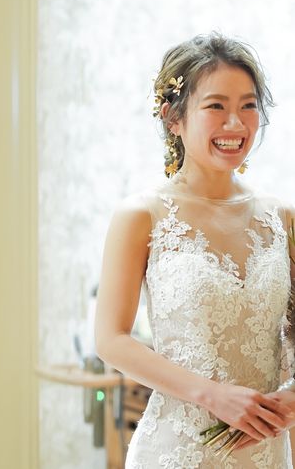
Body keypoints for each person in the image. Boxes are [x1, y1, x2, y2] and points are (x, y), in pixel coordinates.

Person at [94, 32, 295, 468]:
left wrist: (292, 398)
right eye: (216, 106)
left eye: (248, 106)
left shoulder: (283, 218)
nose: (235, 123)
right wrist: (213, 395)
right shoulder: (142, 215)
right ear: (173, 117)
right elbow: (111, 339)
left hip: (264, 451)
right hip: (176, 450)